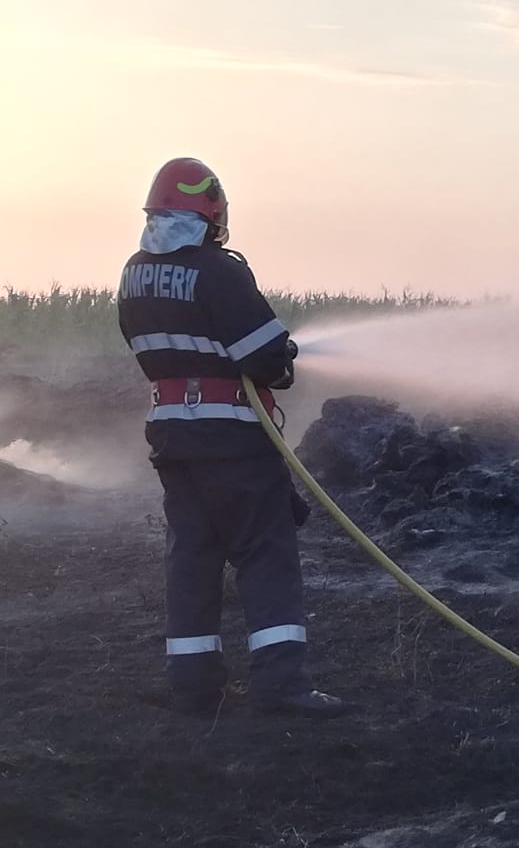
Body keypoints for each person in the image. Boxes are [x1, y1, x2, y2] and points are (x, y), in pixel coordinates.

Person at [117, 157, 351, 718]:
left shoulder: (134, 272)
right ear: (213, 213)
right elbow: (265, 356)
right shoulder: (219, 271)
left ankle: (194, 686)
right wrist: (285, 357)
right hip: (234, 439)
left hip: (173, 439)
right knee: (265, 552)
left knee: (192, 556)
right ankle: (280, 685)